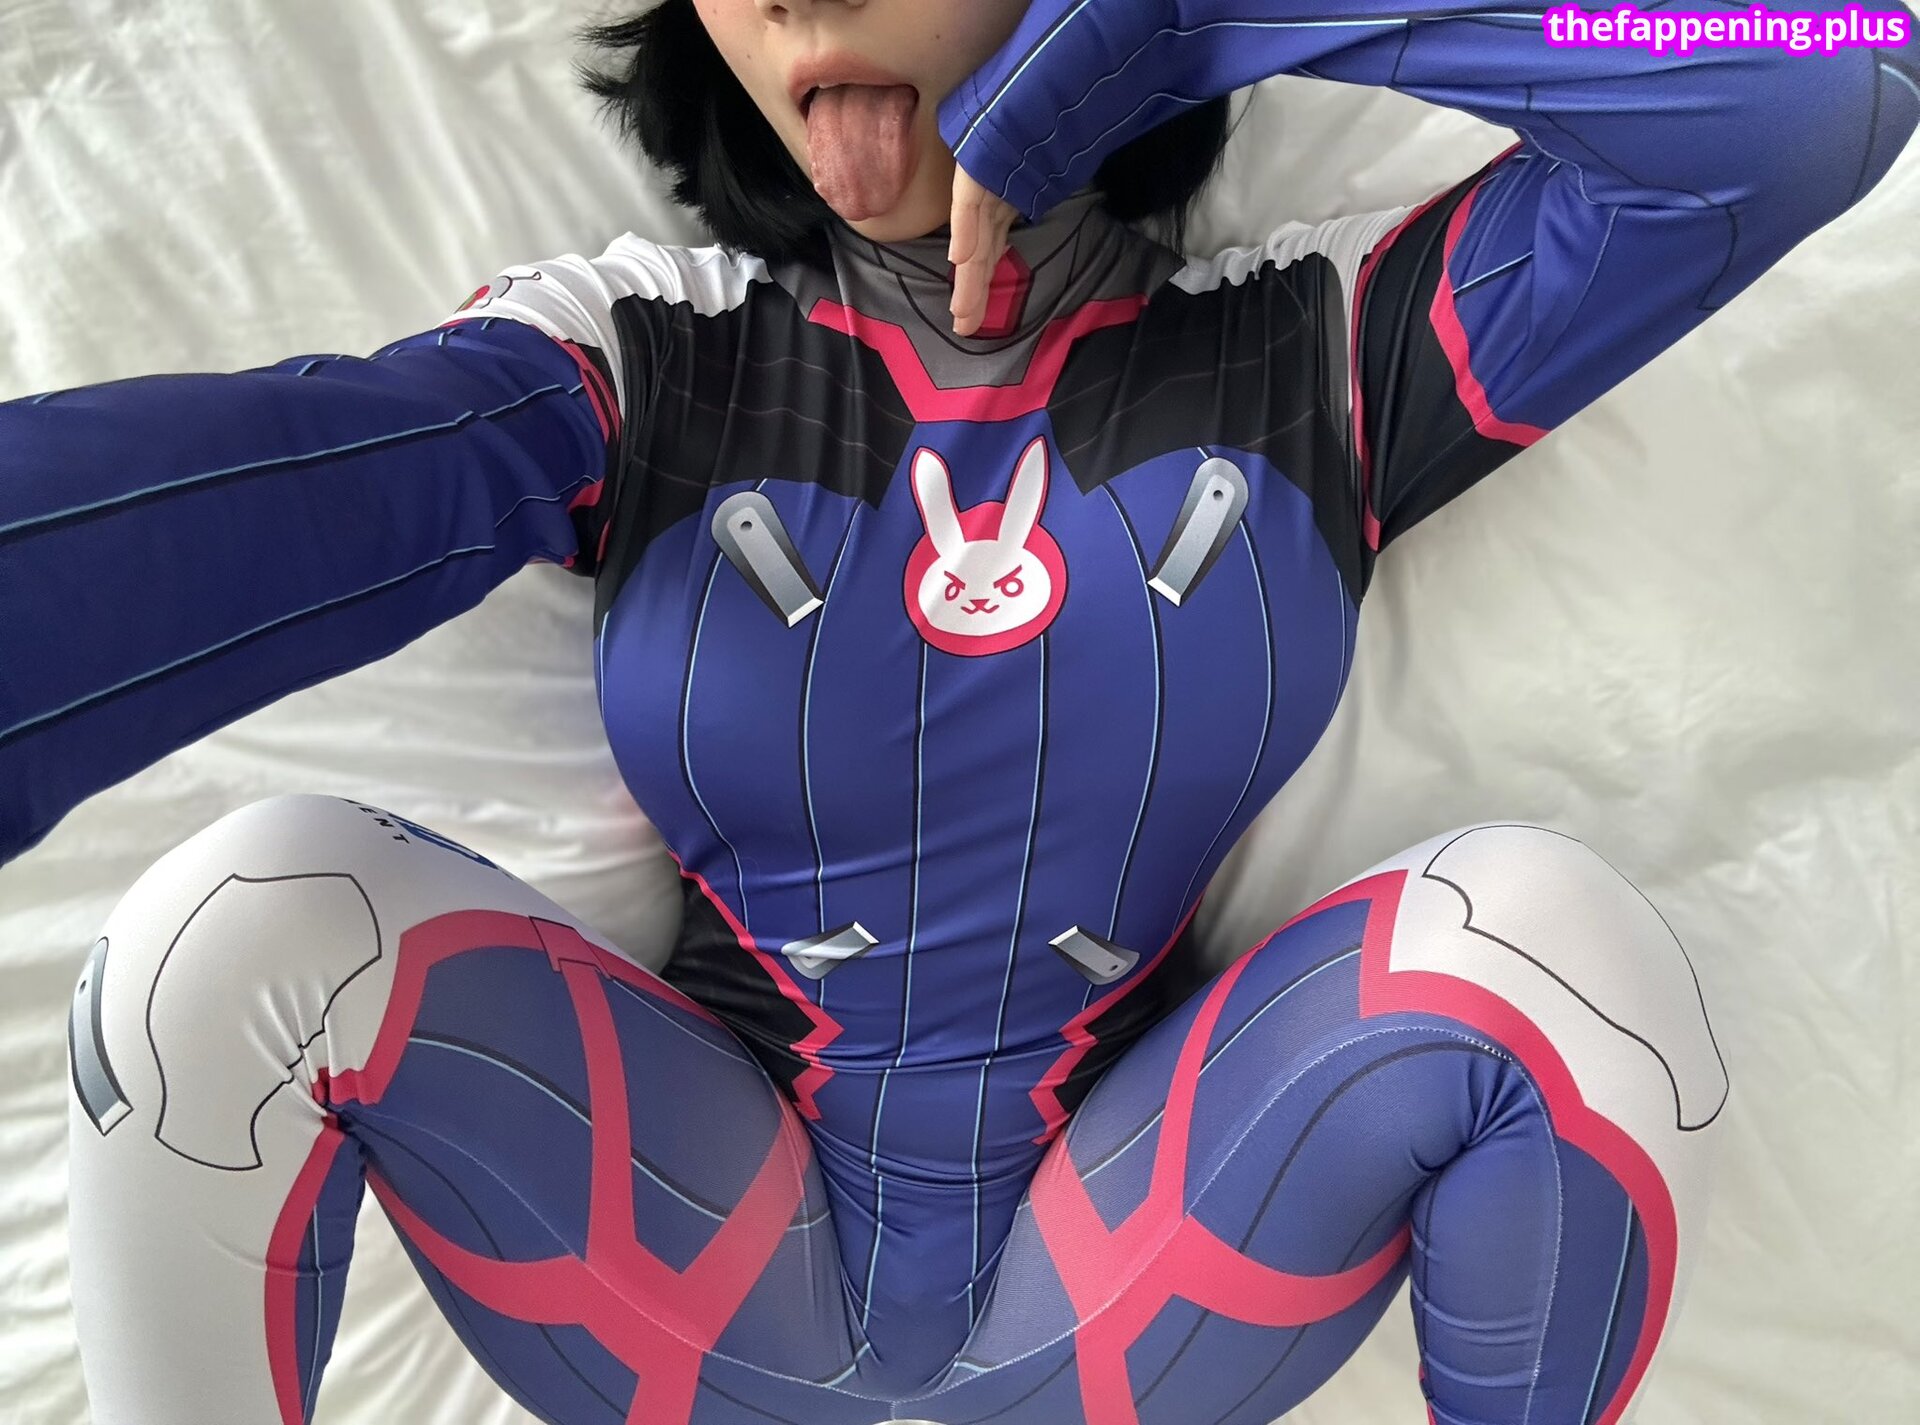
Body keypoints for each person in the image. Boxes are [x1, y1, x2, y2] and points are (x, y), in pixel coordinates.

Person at [7, 1, 1914, 1421]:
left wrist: (1209, 15)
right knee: (233, 925)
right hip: (694, 1261)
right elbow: (310, 486)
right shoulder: (644, 350)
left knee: (1560, 953)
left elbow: (1832, 68)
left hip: (1129, 1266)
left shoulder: (1312, 350)